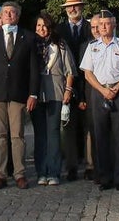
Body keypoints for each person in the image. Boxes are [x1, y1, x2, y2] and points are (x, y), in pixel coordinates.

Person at [0, 1, 38, 190]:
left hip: (19, 94)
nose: (8, 15)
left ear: (18, 16)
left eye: (12, 12)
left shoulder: (28, 37)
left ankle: (19, 173)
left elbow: (33, 68)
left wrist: (33, 94)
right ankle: (1, 174)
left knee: (17, 135)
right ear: (1, 16)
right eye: (5, 12)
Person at [80, 10, 119, 191]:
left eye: (107, 23)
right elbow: (88, 73)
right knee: (101, 136)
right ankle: (105, 177)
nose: (103, 27)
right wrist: (102, 90)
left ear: (114, 25)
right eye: (101, 24)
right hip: (99, 92)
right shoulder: (92, 46)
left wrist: (117, 88)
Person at [32, 11, 75, 186]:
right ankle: (41, 171)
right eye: (38, 25)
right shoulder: (31, 44)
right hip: (36, 94)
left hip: (56, 92)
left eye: (44, 25)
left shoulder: (60, 45)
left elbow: (70, 70)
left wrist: (68, 90)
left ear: (50, 27)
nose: (41, 29)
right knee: (40, 134)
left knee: (53, 133)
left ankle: (54, 172)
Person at [55, 0, 89, 181]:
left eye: (76, 6)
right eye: (69, 6)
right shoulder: (59, 30)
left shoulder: (91, 27)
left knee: (88, 127)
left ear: (81, 7)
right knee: (68, 127)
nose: (73, 9)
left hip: (88, 82)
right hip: (66, 84)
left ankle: (90, 164)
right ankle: (71, 166)